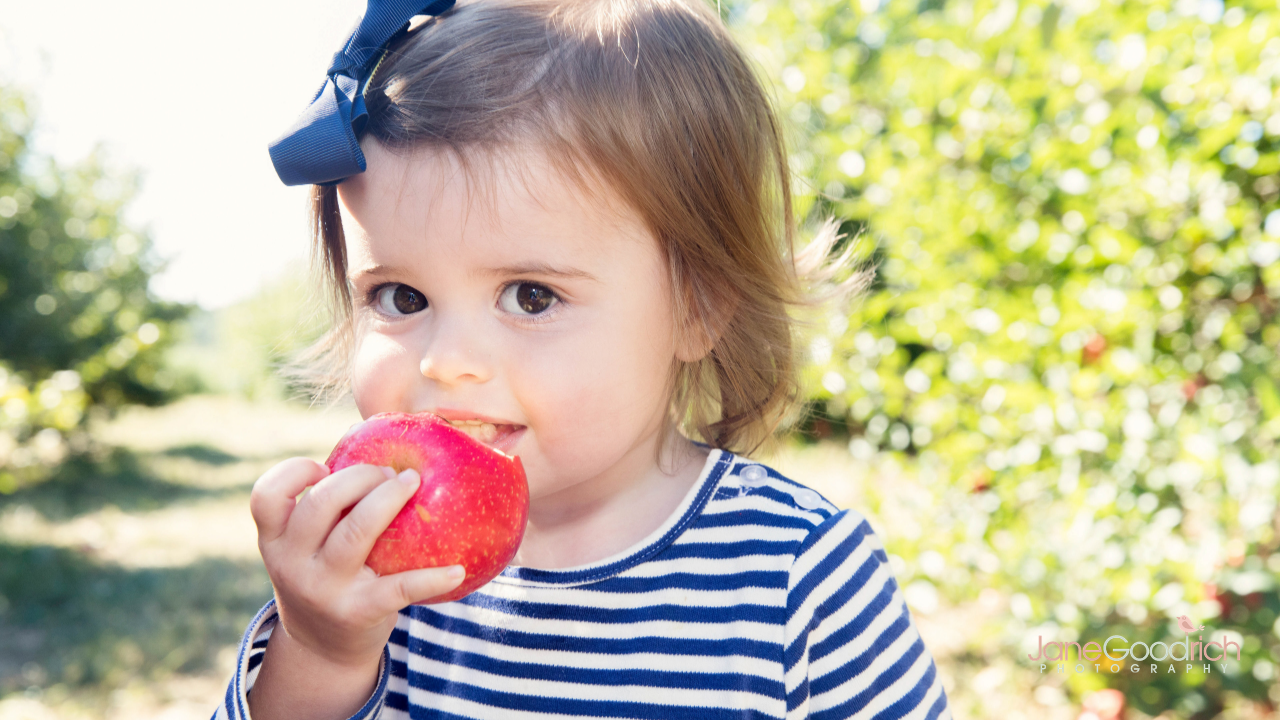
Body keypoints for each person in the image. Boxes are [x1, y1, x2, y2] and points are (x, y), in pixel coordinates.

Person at [215, 0, 952, 718]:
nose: (447, 362)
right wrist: (321, 653)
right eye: (403, 298)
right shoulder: (372, 570)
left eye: (531, 297)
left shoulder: (796, 576)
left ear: (699, 306)